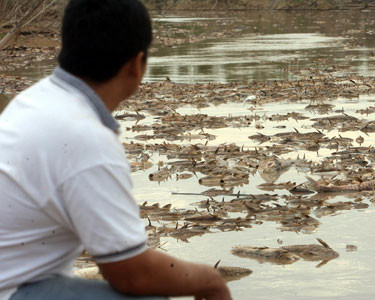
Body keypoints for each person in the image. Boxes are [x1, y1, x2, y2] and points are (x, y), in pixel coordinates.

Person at [0, 0, 232, 299]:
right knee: (150, 294)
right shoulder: (85, 138)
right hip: (12, 291)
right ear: (136, 65)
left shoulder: (35, 100)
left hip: (22, 279)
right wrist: (210, 280)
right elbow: (134, 275)